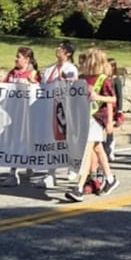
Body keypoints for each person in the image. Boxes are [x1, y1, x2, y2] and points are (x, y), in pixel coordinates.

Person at [65, 48, 120, 202]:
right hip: (83, 118)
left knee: (87, 149)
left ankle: (79, 188)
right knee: (98, 148)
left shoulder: (103, 79)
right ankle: (110, 179)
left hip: (96, 118)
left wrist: (109, 119)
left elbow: (113, 99)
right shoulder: (82, 78)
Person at [36, 40, 79, 189]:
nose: (57, 49)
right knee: (51, 141)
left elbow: (73, 83)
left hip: (64, 110)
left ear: (68, 53)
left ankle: (73, 166)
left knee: (67, 140)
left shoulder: (70, 68)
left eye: (61, 48)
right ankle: (50, 174)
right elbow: (43, 86)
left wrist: (66, 80)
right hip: (49, 108)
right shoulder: (50, 69)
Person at [0, 47, 40, 187]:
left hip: (29, 114)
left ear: (27, 59)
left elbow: (40, 89)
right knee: (14, 142)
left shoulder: (33, 73)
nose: (15, 59)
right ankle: (13, 173)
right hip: (13, 114)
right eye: (16, 57)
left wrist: (32, 83)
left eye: (18, 57)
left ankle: (30, 165)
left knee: (28, 141)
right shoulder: (12, 73)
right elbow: (2, 87)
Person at [103, 58, 123, 162]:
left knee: (110, 131)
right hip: (104, 107)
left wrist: (120, 110)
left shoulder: (116, 80)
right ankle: (103, 151)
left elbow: (119, 96)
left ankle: (110, 151)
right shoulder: (103, 79)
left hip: (113, 108)